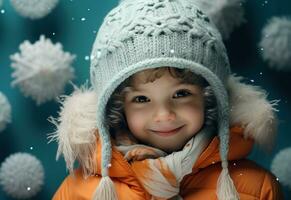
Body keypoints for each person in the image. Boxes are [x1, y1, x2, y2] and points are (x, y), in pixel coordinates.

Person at [50, 0, 283, 199]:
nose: (164, 115)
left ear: (210, 97)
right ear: (116, 107)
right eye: (141, 99)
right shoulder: (77, 192)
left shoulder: (256, 188)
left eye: (181, 94)